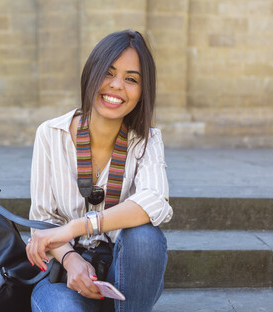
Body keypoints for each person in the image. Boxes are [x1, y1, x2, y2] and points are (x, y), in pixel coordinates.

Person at [26, 30, 173, 312]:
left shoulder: (147, 140)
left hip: (124, 274)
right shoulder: (51, 134)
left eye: (131, 79)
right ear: (90, 74)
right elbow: (43, 221)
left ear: (143, 92)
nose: (117, 85)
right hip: (62, 274)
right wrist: (71, 260)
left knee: (145, 238)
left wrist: (78, 225)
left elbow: (155, 201)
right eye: (108, 73)